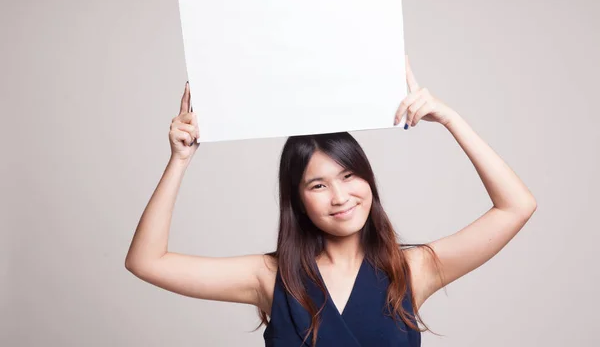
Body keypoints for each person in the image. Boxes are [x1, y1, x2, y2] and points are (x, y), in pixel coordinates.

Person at [125, 56, 537, 346]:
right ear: (297, 201)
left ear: (368, 180)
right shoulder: (270, 277)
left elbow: (517, 206)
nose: (340, 197)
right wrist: (179, 160)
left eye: (348, 176)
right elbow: (146, 262)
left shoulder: (412, 269)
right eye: (318, 185)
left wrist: (449, 119)